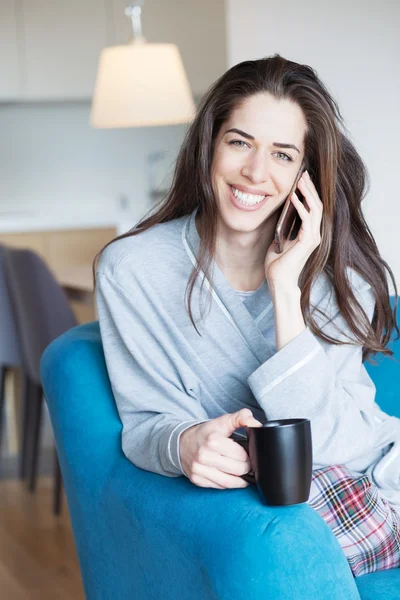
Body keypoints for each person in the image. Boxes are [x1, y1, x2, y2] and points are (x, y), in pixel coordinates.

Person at [93, 54, 400, 577]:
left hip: (375, 473)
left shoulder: (337, 276)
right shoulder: (135, 269)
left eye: (282, 154)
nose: (256, 172)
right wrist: (184, 442)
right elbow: (146, 422)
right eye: (240, 142)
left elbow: (334, 437)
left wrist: (285, 290)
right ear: (209, 145)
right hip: (274, 508)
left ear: (305, 175)